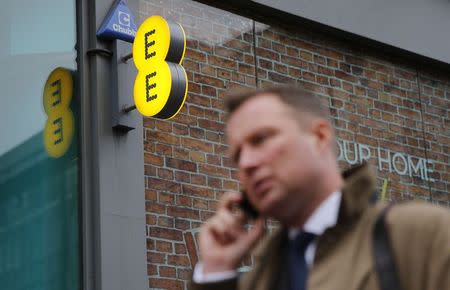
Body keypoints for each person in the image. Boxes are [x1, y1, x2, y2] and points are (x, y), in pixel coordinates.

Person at [189, 85, 450, 290]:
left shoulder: (420, 234)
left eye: (260, 139)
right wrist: (216, 273)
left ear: (320, 137)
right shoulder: (259, 277)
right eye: (237, 155)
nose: (246, 163)